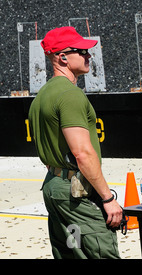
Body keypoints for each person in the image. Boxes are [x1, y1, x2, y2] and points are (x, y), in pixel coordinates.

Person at [28, 26, 122, 259]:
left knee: (70, 254)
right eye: (81, 51)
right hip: (74, 191)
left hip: (53, 185)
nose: (89, 56)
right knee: (102, 252)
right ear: (62, 57)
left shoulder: (42, 95)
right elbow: (82, 153)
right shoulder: (70, 95)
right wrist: (108, 198)